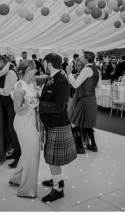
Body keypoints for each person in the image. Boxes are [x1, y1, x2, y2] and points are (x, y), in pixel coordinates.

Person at [38, 53, 77, 202]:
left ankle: (58, 189)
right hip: (53, 123)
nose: (42, 65)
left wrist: (38, 105)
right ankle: (57, 179)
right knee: (51, 157)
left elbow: (59, 106)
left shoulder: (61, 80)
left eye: (43, 62)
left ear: (48, 63)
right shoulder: (55, 76)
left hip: (57, 123)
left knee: (53, 159)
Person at [8, 60, 41, 198]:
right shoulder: (20, 87)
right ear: (28, 70)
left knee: (28, 152)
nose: (36, 71)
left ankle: (16, 178)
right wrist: (30, 104)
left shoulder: (31, 83)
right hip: (22, 122)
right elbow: (17, 109)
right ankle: (27, 189)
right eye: (34, 69)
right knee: (33, 154)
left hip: (31, 120)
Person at [0, 56, 20, 168]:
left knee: (13, 131)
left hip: (11, 105)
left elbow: (6, 92)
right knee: (9, 131)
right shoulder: (1, 73)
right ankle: (15, 152)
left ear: (3, 63)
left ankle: (19, 158)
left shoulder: (10, 73)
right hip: (4, 106)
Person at [68, 52, 100, 152]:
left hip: (85, 99)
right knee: (87, 123)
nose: (80, 58)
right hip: (91, 98)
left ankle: (80, 147)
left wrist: (69, 73)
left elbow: (75, 84)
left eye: (82, 57)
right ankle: (93, 146)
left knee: (73, 123)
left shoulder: (86, 69)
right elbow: (99, 86)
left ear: (86, 59)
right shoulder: (96, 70)